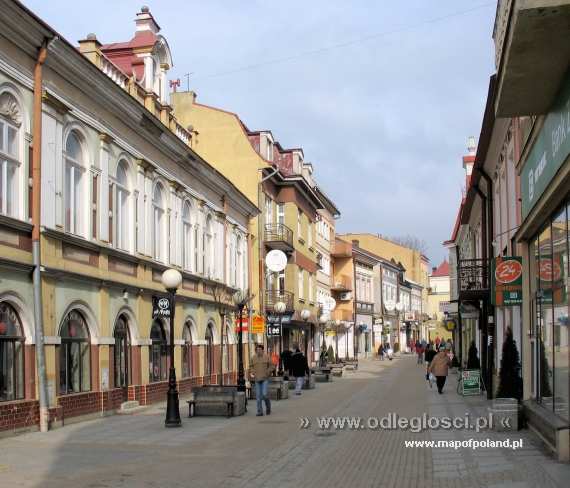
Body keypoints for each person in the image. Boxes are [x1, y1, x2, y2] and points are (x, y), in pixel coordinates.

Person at [248, 344, 275, 416]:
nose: (258, 351)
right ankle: (259, 411)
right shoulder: (253, 358)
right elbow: (250, 367)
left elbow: (272, 366)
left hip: (265, 379)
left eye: (260, 350)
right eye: (257, 350)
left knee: (265, 394)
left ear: (263, 350)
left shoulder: (267, 357)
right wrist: (253, 372)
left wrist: (268, 372)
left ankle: (268, 407)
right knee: (258, 397)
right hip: (257, 379)